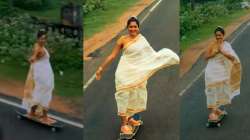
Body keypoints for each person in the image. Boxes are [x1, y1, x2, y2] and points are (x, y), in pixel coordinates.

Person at [95, 16, 180, 134]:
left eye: (135, 27)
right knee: (124, 96)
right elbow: (112, 56)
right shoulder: (122, 40)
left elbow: (151, 55)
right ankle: (123, 125)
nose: (133, 29)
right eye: (130, 27)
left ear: (138, 28)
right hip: (124, 72)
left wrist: (165, 58)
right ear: (127, 27)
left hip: (136, 73)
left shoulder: (142, 39)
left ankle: (130, 119)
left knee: (135, 94)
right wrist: (100, 69)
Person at [204, 26, 241, 121]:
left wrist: (222, 51)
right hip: (211, 72)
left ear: (223, 35)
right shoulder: (212, 45)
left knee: (221, 90)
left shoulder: (227, 45)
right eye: (216, 35)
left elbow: (233, 58)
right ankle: (213, 112)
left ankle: (216, 110)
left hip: (222, 73)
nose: (218, 37)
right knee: (212, 91)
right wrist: (214, 53)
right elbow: (206, 57)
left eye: (220, 35)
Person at [22, 29, 55, 124]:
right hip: (42, 75)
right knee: (44, 92)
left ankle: (33, 113)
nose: (43, 40)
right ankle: (43, 116)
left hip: (45, 74)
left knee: (42, 91)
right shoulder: (39, 49)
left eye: (44, 39)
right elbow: (33, 58)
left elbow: (36, 58)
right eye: (41, 39)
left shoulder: (39, 46)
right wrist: (32, 58)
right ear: (37, 39)